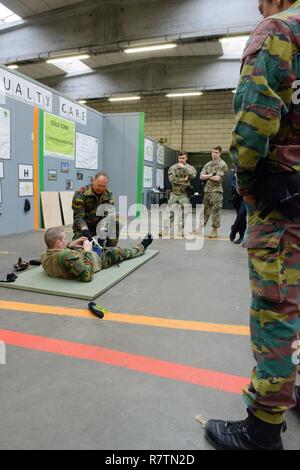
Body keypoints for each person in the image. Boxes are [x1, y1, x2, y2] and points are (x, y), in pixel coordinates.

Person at [205, 0, 300, 451]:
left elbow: (253, 126)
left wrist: (247, 190)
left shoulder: (280, 29)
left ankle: (262, 430)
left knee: (276, 312)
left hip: (286, 207)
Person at [41, 227, 153, 282]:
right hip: (99, 258)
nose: (66, 241)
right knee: (121, 252)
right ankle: (141, 247)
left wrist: (70, 245)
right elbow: (87, 276)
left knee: (96, 245)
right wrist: (87, 251)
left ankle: (99, 244)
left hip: (83, 254)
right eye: (64, 240)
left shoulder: (45, 255)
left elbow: (61, 257)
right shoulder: (67, 256)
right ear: (59, 243)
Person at [72, 171, 122, 247]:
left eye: (104, 186)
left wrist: (102, 235)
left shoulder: (108, 194)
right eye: (99, 185)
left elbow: (108, 216)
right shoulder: (81, 193)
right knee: (79, 250)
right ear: (93, 181)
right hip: (85, 226)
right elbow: (79, 216)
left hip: (100, 225)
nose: (101, 188)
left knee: (116, 221)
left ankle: (109, 250)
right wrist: (85, 231)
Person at [160, 152, 197, 238]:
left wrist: (185, 168)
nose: (181, 159)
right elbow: (172, 180)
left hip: (184, 194)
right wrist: (185, 180)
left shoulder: (190, 168)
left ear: (186, 158)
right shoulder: (173, 168)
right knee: (169, 211)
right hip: (174, 193)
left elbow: (194, 175)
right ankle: (165, 229)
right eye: (180, 158)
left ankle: (181, 229)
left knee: (185, 212)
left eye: (183, 158)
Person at [198, 146, 228, 239]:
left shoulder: (222, 164)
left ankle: (214, 230)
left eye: (216, 152)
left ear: (220, 153)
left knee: (215, 211)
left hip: (216, 191)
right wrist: (211, 175)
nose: (213, 154)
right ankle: (200, 229)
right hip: (207, 190)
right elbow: (201, 177)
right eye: (212, 152)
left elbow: (218, 178)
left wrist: (207, 176)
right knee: (205, 210)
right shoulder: (208, 164)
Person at [230, 170, 247, 244]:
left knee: (241, 215)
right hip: (237, 196)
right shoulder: (236, 170)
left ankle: (234, 228)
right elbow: (232, 182)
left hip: (246, 196)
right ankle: (241, 236)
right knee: (241, 218)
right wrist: (238, 189)